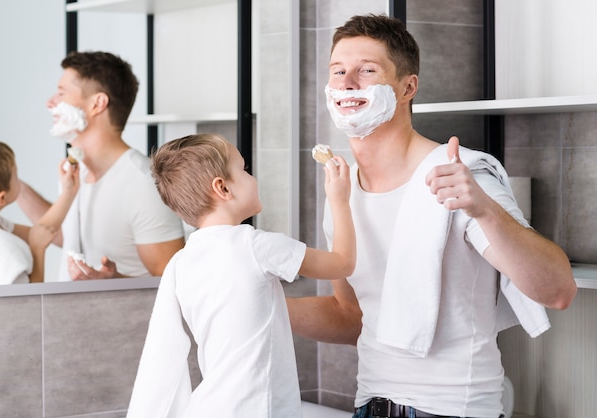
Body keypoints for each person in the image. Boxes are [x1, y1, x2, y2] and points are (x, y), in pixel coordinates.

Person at [287, 14, 577, 418]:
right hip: (369, 403)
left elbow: (557, 291)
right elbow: (351, 315)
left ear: (408, 87)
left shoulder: (461, 176)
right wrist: (258, 303)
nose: (347, 82)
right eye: (338, 70)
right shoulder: (342, 189)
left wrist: (485, 210)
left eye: (367, 70)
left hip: (452, 408)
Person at [126, 133, 355, 418]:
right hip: (256, 409)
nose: (252, 177)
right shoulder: (256, 246)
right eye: (243, 169)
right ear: (222, 188)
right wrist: (340, 200)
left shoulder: (181, 262)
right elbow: (343, 264)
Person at [17, 51, 185, 281]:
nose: (50, 102)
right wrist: (10, 185)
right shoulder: (77, 171)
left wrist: (115, 282)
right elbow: (66, 236)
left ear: (97, 103)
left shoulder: (144, 184)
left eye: (61, 92)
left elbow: (175, 284)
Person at [0, 139, 79, 285]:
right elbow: (29, 299)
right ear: (2, 198)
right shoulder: (0, 244)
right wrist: (38, 250)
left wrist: (68, 192)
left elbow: (38, 232)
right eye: (15, 176)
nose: (19, 180)